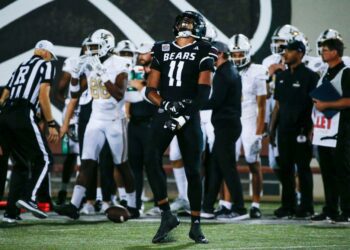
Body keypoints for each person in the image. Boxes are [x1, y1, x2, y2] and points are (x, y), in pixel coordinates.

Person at [144, 11, 217, 243]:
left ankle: (196, 224)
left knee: (193, 170)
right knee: (150, 157)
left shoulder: (205, 48)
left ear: (200, 27)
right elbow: (150, 90)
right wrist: (166, 104)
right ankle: (166, 214)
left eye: (190, 21)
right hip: (167, 110)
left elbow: (204, 93)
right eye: (182, 21)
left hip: (190, 113)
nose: (185, 23)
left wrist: (184, 113)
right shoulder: (161, 48)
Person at [54, 29, 139, 219]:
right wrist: (76, 75)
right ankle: (74, 206)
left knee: (121, 164)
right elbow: (74, 94)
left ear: (107, 45)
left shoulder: (119, 63)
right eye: (90, 46)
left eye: (95, 46)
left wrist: (101, 73)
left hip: (115, 120)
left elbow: (118, 94)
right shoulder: (90, 62)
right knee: (87, 163)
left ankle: (133, 205)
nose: (91, 50)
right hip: (95, 118)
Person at [0, 40, 59, 220]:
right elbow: (43, 96)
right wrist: (51, 123)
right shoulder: (45, 65)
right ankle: (30, 198)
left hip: (5, 114)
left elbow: (4, 95)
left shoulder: (21, 67)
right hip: (22, 113)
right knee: (45, 158)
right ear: (47, 54)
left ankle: (11, 213)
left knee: (20, 165)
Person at [269, 40, 319, 218]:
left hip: (302, 130)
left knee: (303, 169)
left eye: (289, 51)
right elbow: (277, 106)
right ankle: (287, 205)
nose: (285, 54)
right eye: (285, 51)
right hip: (284, 130)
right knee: (286, 169)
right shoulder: (281, 77)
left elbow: (317, 105)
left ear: (300, 53)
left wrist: (312, 128)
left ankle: (306, 206)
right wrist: (272, 129)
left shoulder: (311, 76)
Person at [201, 40, 246, 220]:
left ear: (219, 54)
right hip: (228, 124)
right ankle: (207, 207)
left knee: (227, 168)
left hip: (226, 125)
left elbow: (216, 101)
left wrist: (193, 104)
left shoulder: (222, 73)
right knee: (217, 167)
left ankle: (240, 208)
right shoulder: (230, 71)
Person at [230, 34, 268, 219]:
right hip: (232, 120)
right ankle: (229, 203)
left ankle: (255, 203)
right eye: (234, 54)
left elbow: (262, 105)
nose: (237, 58)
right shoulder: (226, 70)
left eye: (240, 54)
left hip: (250, 119)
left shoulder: (258, 71)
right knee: (229, 163)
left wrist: (259, 132)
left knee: (253, 162)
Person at [312, 38, 350, 222]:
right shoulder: (326, 72)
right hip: (324, 129)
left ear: (335, 52)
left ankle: (347, 210)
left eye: (325, 50)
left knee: (342, 171)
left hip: (341, 129)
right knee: (327, 171)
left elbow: (349, 101)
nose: (322, 52)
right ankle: (331, 208)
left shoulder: (346, 73)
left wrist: (326, 103)